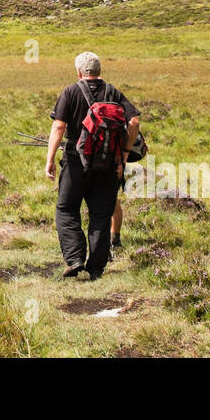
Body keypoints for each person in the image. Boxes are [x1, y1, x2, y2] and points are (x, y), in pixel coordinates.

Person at [45, 51, 141, 280]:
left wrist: (49, 159)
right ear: (99, 71)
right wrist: (125, 153)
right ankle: (96, 268)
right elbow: (134, 121)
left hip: (76, 162)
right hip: (109, 164)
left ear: (79, 72)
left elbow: (59, 128)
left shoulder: (70, 91)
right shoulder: (113, 92)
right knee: (100, 214)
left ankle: (75, 258)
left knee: (67, 209)